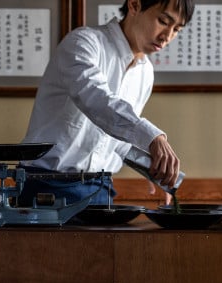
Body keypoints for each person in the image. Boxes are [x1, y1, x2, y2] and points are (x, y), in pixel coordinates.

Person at [17, 0, 195, 207]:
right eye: (163, 21)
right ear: (135, 5)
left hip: (101, 189)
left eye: (177, 30)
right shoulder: (83, 43)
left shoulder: (145, 72)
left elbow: (116, 139)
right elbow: (97, 100)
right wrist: (153, 138)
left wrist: (151, 168)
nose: (167, 37)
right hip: (47, 186)